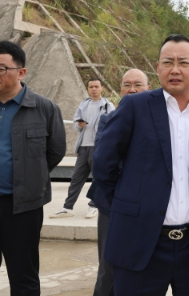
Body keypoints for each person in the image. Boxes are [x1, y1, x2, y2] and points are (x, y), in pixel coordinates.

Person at [93, 34, 189, 295]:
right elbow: (103, 164)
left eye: (183, 62)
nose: (175, 69)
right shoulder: (135, 106)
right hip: (139, 243)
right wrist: (124, 210)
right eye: (168, 62)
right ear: (158, 68)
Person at [0, 40, 66, 295]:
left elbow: (55, 151)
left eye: (1, 68)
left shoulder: (44, 108)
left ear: (21, 72)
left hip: (23, 207)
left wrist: (29, 175)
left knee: (24, 276)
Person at [87, 68, 151, 296]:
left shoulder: (158, 122)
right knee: (109, 266)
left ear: (149, 89)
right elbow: (103, 161)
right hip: (111, 202)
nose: (132, 90)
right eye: (127, 85)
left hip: (148, 204)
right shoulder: (108, 120)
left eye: (138, 85)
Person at [50, 78, 114, 219]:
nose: (93, 89)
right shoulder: (83, 105)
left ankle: (93, 206)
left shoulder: (108, 106)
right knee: (76, 178)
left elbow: (113, 126)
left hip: (99, 147)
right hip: (83, 147)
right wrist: (79, 125)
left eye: (96, 86)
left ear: (102, 88)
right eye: (91, 87)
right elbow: (75, 123)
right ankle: (67, 207)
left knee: (97, 178)